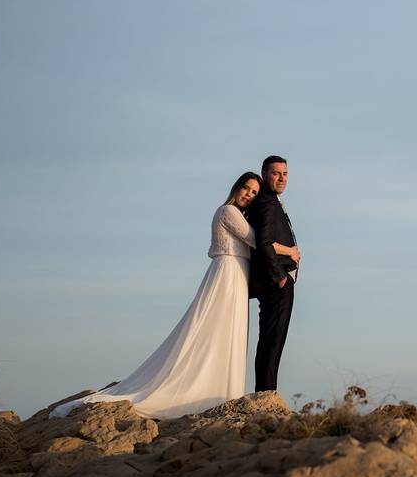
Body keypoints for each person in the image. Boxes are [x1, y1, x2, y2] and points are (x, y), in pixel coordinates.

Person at [50, 171, 298, 419]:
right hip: (227, 274)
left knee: (226, 332)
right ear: (236, 188)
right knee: (215, 330)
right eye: (246, 188)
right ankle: (201, 388)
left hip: (236, 276)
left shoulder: (237, 214)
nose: (249, 195)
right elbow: (258, 241)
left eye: (254, 193)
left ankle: (221, 389)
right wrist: (290, 251)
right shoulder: (228, 212)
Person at [246, 155, 300, 392]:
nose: (281, 178)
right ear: (264, 174)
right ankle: (266, 393)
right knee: (272, 341)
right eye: (276, 173)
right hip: (276, 282)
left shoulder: (271, 200)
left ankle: (265, 391)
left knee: (270, 341)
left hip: (275, 281)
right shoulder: (267, 201)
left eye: (285, 173)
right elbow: (264, 242)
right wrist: (280, 278)